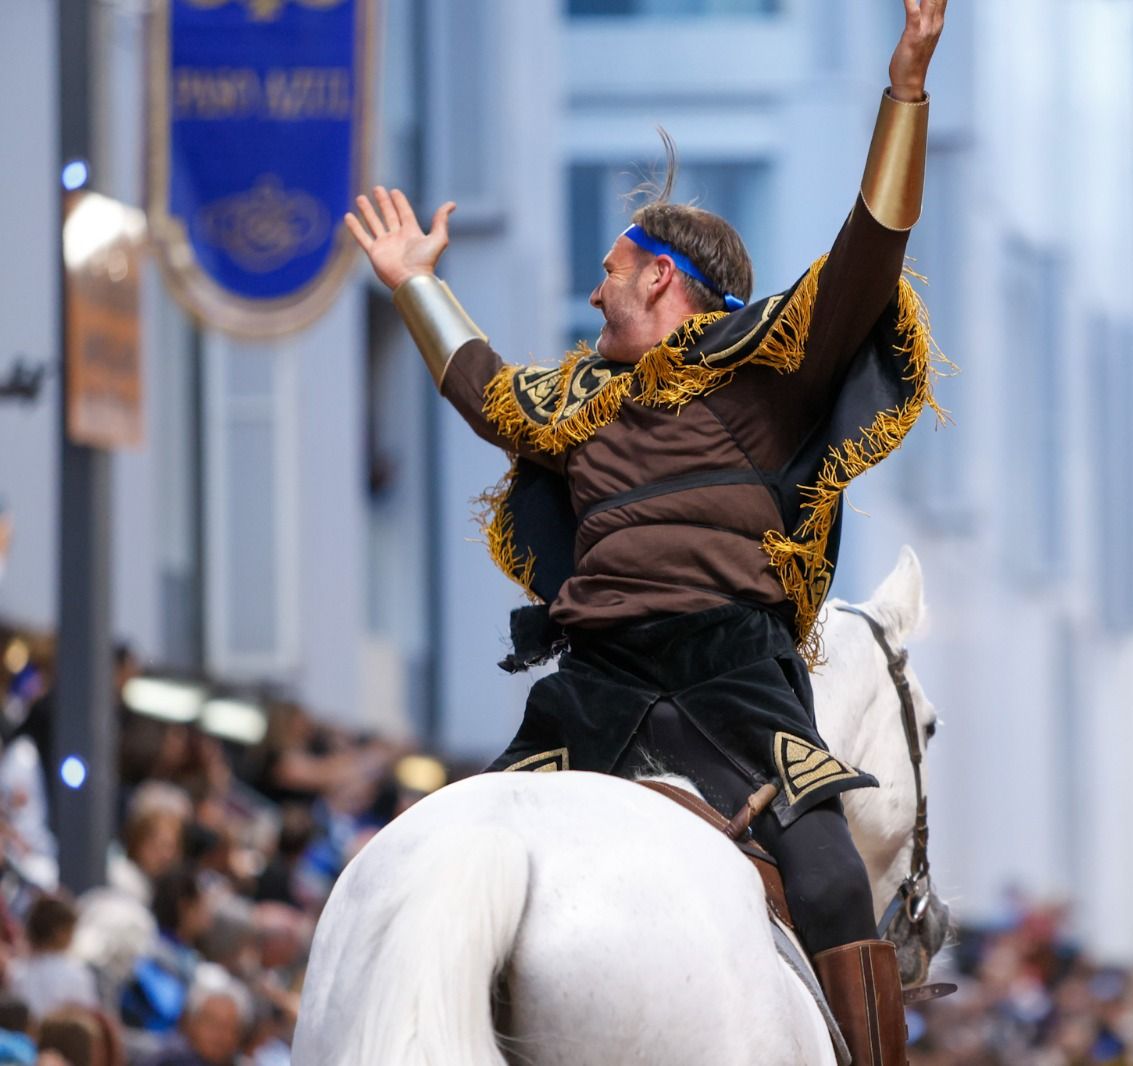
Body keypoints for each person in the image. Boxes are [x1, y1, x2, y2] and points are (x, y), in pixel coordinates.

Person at [344, 3, 948, 1061]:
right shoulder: (576, 402)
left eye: (611, 272)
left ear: (661, 275)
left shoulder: (770, 373)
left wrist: (904, 92)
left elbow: (868, 251)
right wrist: (414, 283)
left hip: (734, 679)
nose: (593, 292)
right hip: (594, 684)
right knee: (469, 848)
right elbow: (481, 386)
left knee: (830, 876)